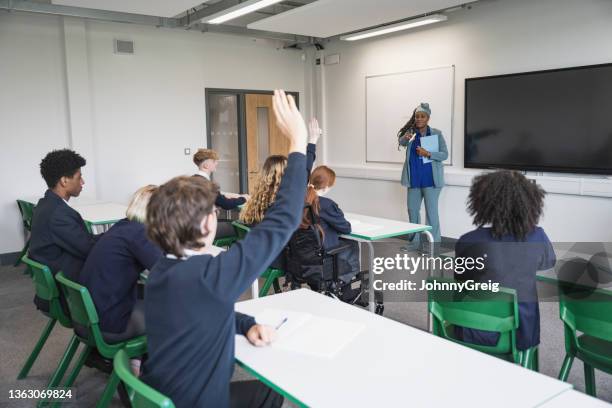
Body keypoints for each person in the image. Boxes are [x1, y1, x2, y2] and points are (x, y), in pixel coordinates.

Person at [141, 89, 307, 408]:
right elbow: (282, 220)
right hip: (203, 402)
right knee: (277, 388)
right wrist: (298, 144)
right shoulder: (209, 276)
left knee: (269, 391)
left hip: (170, 395)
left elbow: (205, 310)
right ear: (206, 225)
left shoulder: (164, 269)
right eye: (213, 213)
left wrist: (247, 325)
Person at [454, 170, 556, 351]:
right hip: (521, 332)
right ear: (530, 203)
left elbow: (461, 280)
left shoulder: (468, 241)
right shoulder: (537, 237)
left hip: (472, 329)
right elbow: (548, 262)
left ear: (483, 202)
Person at [78, 185, 162, 342]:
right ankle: (141, 362)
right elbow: (167, 269)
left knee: (153, 293)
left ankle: (136, 358)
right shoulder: (140, 234)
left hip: (89, 315)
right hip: (109, 321)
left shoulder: (124, 225)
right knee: (172, 309)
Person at [29, 149, 97, 312]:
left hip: (55, 286)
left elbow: (83, 242)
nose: (83, 182)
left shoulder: (45, 204)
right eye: (79, 177)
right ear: (64, 180)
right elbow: (89, 250)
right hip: (68, 296)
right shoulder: (59, 214)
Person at [398, 103, 448, 250]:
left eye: (422, 116)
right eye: (417, 116)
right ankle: (414, 243)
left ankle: (434, 246)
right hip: (413, 179)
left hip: (431, 180)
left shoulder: (436, 134)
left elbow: (445, 154)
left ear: (428, 118)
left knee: (431, 213)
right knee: (412, 211)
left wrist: (428, 153)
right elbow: (401, 142)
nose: (419, 118)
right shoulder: (411, 133)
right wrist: (405, 138)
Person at [192, 149, 249, 239]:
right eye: (214, 161)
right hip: (204, 228)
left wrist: (227, 195)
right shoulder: (208, 185)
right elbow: (226, 204)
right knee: (241, 227)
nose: (217, 163)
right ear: (206, 165)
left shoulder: (192, 180)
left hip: (193, 225)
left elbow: (217, 196)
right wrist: (244, 198)